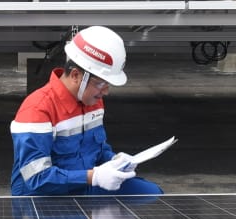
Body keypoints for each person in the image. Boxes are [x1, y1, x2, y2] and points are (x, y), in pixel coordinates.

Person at [9, 26, 163, 197]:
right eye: (100, 84)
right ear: (76, 76)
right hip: (44, 197)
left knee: (152, 195)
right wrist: (93, 177)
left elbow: (97, 150)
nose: (105, 92)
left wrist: (114, 160)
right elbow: (37, 179)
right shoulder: (37, 109)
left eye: (107, 84)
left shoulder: (92, 100)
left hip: (84, 185)